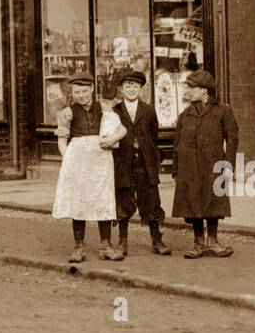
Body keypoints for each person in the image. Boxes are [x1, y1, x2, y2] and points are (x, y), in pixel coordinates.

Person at [52, 75, 124, 263]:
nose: (81, 96)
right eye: (77, 92)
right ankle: (78, 247)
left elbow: (121, 129)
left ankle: (106, 245)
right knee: (78, 201)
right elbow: (62, 139)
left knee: (103, 199)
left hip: (101, 158)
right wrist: (68, 160)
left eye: (85, 91)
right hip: (78, 159)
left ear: (92, 89)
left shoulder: (104, 108)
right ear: (72, 93)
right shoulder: (67, 113)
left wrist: (112, 139)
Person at [172, 70, 238, 259]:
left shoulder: (223, 111)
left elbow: (233, 139)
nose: (189, 91)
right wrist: (176, 169)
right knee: (193, 203)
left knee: (213, 201)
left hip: (213, 165)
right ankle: (198, 243)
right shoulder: (185, 115)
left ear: (205, 90)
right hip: (189, 167)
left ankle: (213, 241)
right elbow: (176, 144)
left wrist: (229, 164)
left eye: (192, 88)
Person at [111, 70, 171, 258]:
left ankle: (156, 239)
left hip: (145, 164)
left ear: (141, 89)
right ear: (121, 89)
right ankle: (122, 241)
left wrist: (151, 157)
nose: (131, 89)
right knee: (123, 200)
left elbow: (153, 137)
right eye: (127, 86)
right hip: (123, 163)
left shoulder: (148, 110)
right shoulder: (115, 111)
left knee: (151, 201)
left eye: (135, 86)